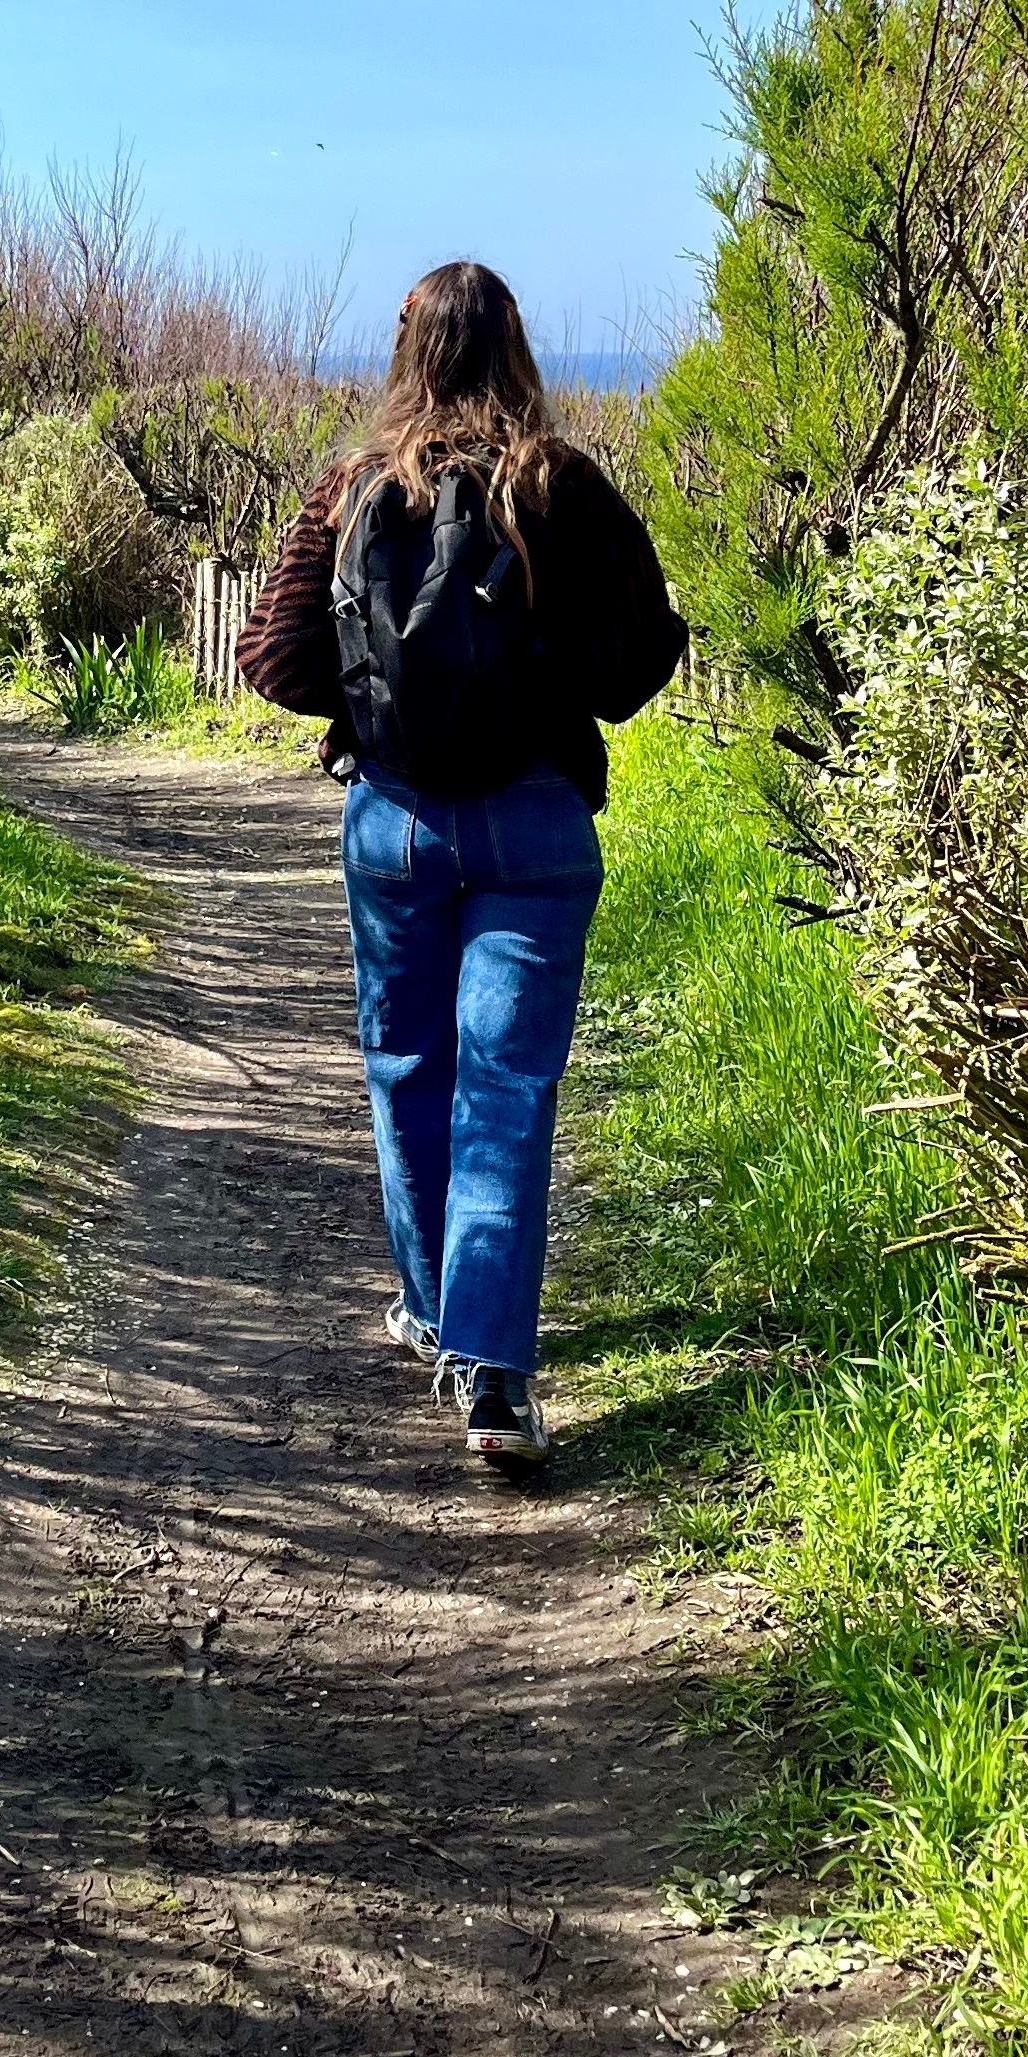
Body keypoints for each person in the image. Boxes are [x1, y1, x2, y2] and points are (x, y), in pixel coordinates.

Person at [237, 262, 686, 1468]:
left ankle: (439, 1312)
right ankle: (491, 1375)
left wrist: (379, 702)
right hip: (536, 826)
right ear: (518, 349)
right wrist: (539, 669)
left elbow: (272, 658)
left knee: (409, 1069)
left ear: (410, 355)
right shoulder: (566, 486)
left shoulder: (350, 488)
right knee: (508, 1090)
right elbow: (641, 662)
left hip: (393, 823)